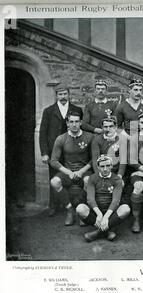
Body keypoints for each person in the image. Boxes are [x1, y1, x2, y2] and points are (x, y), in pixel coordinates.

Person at [39, 83, 83, 216]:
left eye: (65, 94)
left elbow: (82, 128)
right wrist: (44, 153)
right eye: (60, 94)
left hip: (71, 150)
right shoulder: (49, 111)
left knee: (71, 176)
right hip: (54, 151)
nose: (63, 97)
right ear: (56, 95)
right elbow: (43, 133)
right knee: (54, 177)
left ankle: (71, 204)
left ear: (69, 94)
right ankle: (53, 205)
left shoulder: (76, 109)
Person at [50, 111, 93, 226]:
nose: (74, 124)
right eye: (71, 122)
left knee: (88, 181)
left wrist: (81, 171)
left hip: (84, 171)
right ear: (67, 123)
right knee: (54, 182)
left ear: (81, 123)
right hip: (68, 171)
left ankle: (82, 211)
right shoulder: (61, 138)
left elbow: (95, 159)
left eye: (77, 122)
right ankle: (69, 209)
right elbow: (53, 161)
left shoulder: (89, 137)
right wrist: (68, 172)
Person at [76, 155, 130, 242]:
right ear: (98, 167)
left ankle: (98, 233)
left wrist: (106, 217)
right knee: (80, 209)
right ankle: (108, 231)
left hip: (111, 211)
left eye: (108, 166)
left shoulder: (117, 179)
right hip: (96, 211)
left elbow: (116, 201)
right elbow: (90, 199)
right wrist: (99, 214)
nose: (105, 169)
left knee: (126, 209)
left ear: (112, 166)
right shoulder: (92, 178)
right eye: (102, 166)